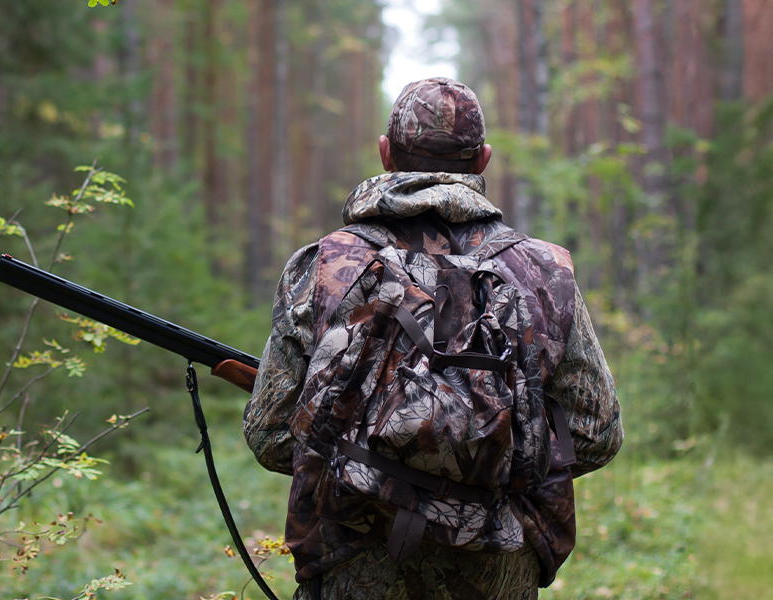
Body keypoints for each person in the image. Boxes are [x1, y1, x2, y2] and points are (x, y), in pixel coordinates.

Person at [241, 78, 623, 599]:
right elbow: (595, 432)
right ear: (483, 160)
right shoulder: (543, 270)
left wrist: (373, 467)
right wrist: (490, 464)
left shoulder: (327, 264)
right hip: (499, 563)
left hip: (355, 558)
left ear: (385, 154)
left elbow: (271, 435)